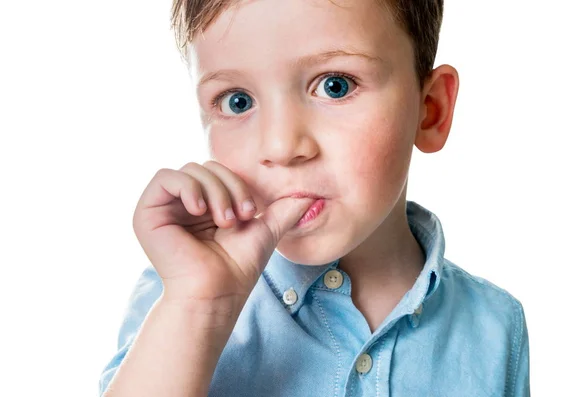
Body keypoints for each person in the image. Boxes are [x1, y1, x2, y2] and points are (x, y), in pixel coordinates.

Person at [98, 0, 530, 395]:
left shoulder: (496, 327)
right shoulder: (180, 292)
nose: (281, 146)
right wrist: (198, 306)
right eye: (237, 101)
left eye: (335, 86)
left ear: (430, 109)